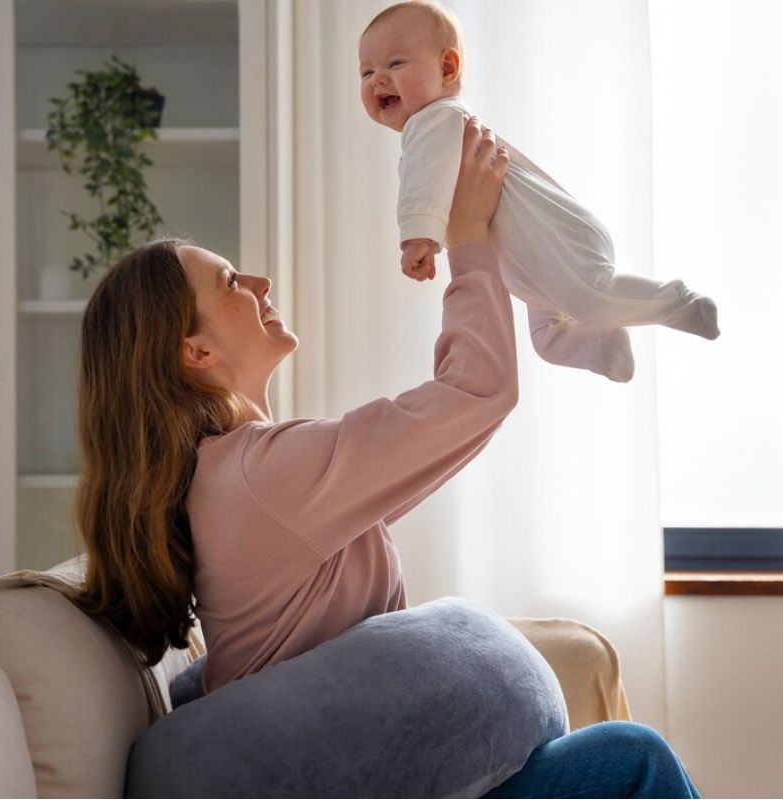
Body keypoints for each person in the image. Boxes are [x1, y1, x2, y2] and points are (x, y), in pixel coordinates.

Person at [73, 116, 700, 798]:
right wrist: (470, 244)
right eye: (228, 283)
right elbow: (477, 392)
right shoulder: (259, 476)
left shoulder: (239, 479)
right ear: (195, 353)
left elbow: (451, 427)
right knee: (630, 760)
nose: (258, 281)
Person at [359, 0, 720, 384]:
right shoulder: (437, 128)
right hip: (533, 265)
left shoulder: (436, 118)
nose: (377, 80)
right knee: (547, 339)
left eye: (395, 64)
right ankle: (606, 347)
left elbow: (424, 182)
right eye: (365, 72)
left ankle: (677, 303)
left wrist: (418, 237)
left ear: (447, 68)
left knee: (590, 300)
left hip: (558, 242)